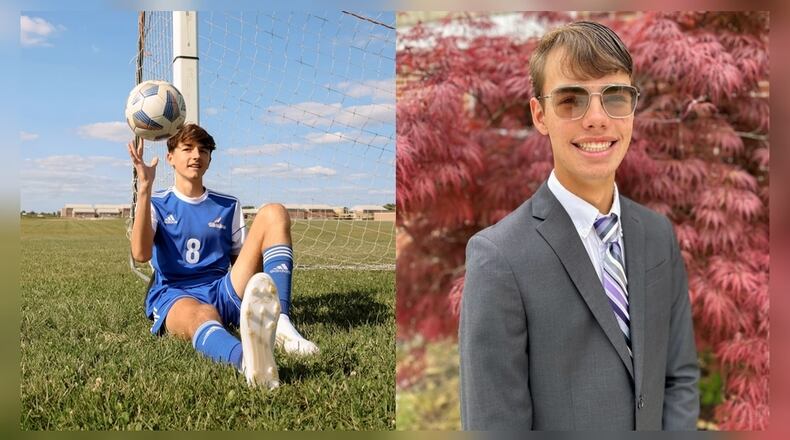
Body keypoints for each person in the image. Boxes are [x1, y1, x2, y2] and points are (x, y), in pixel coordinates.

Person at [459, 21, 699, 430]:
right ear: (540, 114)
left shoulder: (658, 235)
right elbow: (494, 423)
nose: (596, 119)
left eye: (615, 97)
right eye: (571, 100)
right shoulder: (500, 258)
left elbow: (679, 379)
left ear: (633, 107)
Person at [128, 123, 319, 389]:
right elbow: (140, 253)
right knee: (203, 315)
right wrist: (144, 189)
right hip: (176, 293)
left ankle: (281, 324)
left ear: (209, 159)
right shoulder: (157, 203)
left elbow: (247, 264)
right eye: (188, 149)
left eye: (204, 150)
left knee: (274, 212)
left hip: (221, 288)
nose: (196, 155)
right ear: (170, 157)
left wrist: (252, 298)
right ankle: (249, 362)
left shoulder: (227, 205)